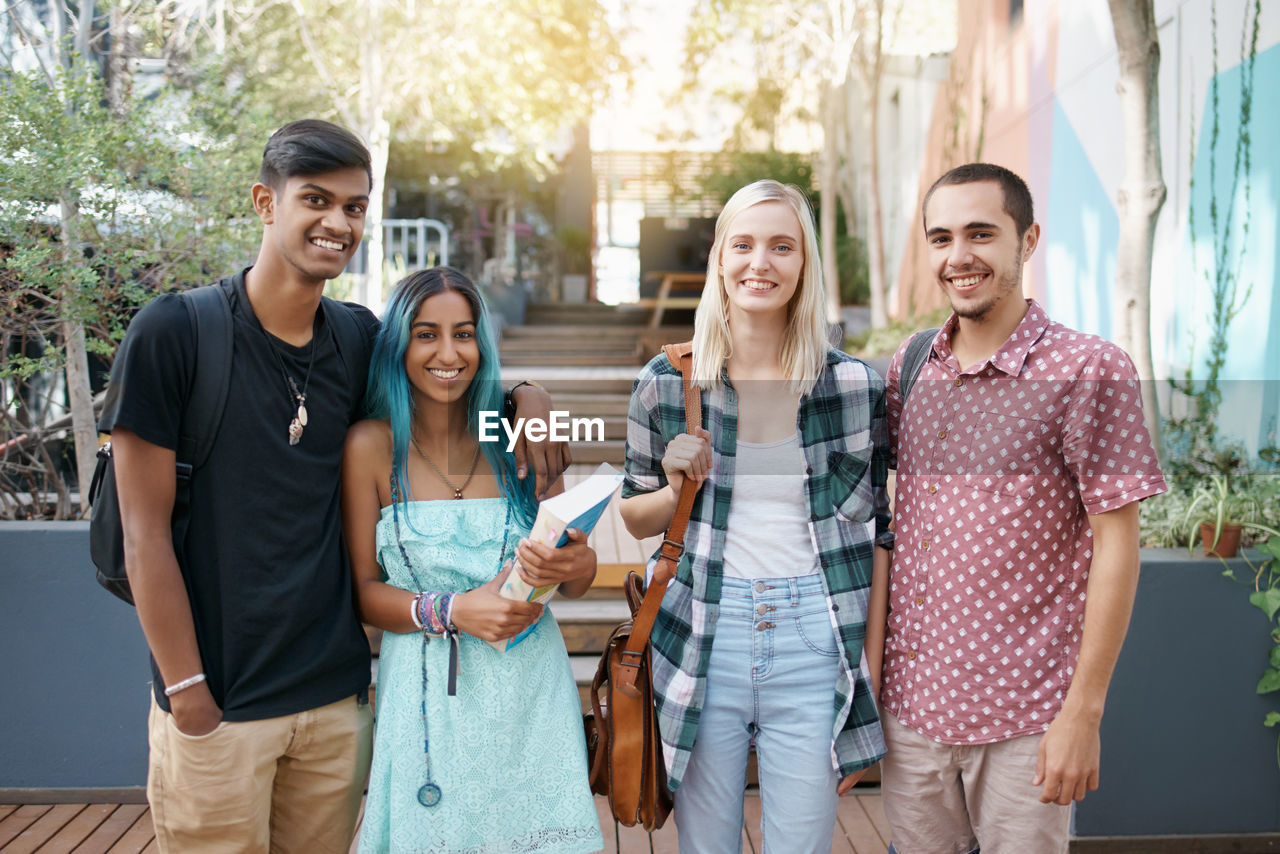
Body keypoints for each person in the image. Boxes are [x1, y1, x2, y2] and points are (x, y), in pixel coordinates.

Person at [102, 120, 564, 853]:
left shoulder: (356, 339)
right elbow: (142, 533)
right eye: (316, 199)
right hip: (220, 704)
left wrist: (530, 399)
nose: (337, 222)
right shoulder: (176, 332)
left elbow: (448, 382)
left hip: (334, 704)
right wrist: (188, 695)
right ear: (265, 202)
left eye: (354, 206)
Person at [867, 162, 1168, 854]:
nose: (960, 256)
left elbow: (1118, 546)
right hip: (912, 720)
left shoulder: (1090, 368)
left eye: (981, 233)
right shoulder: (910, 366)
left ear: (1027, 239)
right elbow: (889, 532)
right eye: (941, 238)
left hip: (1027, 718)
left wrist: (1083, 714)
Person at [619, 179, 891, 853]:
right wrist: (677, 477)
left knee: (802, 841)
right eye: (742, 245)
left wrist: (870, 675)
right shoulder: (668, 381)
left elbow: (878, 534)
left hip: (814, 636)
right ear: (719, 260)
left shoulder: (854, 388)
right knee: (706, 843)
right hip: (704, 627)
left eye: (781, 247)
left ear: (805, 265)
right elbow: (633, 515)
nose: (759, 263)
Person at [341, 266, 604, 854]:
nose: (448, 352)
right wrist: (453, 609)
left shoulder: (518, 433)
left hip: (531, 695)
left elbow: (581, 575)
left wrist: (570, 568)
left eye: (464, 334)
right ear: (398, 344)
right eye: (426, 333)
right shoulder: (369, 446)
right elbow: (361, 592)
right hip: (428, 703)